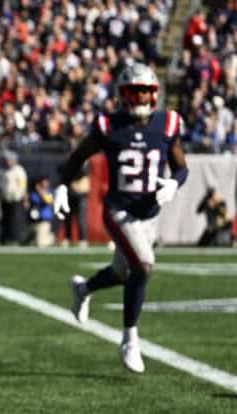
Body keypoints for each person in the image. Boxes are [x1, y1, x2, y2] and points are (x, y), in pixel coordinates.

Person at [55, 62, 188, 373]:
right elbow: (77, 157)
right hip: (118, 210)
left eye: (145, 91)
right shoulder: (108, 125)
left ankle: (83, 289)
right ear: (122, 94)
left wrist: (173, 183)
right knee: (143, 266)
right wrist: (61, 185)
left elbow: (181, 167)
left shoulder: (167, 124)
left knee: (123, 272)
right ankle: (130, 338)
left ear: (153, 94)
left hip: (149, 214)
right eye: (133, 91)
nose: (140, 98)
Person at [0, 150, 28, 245]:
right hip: (4, 199)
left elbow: (22, 186)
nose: (7, 162)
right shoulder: (1, 170)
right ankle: (4, 239)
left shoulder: (19, 170)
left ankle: (15, 239)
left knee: (14, 220)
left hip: (15, 199)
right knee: (4, 220)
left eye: (9, 160)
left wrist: (17, 195)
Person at [59, 161, 90, 247]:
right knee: (68, 218)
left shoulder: (85, 166)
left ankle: (83, 239)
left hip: (81, 195)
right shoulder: (67, 166)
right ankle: (67, 237)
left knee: (81, 218)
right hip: (71, 194)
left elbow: (85, 184)